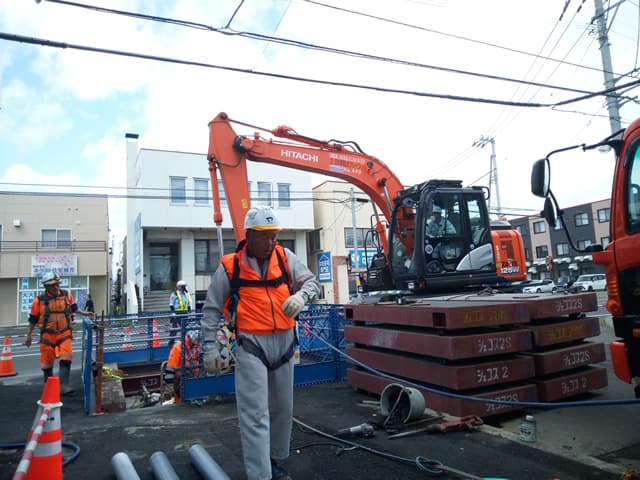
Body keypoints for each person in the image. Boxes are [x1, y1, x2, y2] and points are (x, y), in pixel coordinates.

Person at [201, 206, 320, 480]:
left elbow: (311, 282)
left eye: (274, 235)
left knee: (282, 408)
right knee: (255, 414)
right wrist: (209, 345)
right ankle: (260, 474)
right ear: (250, 235)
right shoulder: (230, 266)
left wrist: (301, 297)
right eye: (265, 236)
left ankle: (274, 460)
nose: (271, 242)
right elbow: (211, 309)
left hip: (286, 343)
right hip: (252, 345)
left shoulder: (285, 257)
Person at [24, 271, 95, 394]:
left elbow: (74, 308)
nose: (57, 287)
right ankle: (49, 387)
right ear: (46, 286)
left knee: (66, 358)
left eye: (58, 284)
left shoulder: (67, 295)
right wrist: (29, 336)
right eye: (53, 285)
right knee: (47, 363)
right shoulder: (39, 301)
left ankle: (64, 386)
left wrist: (84, 313)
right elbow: (33, 319)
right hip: (47, 335)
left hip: (64, 333)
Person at [164, 329, 204, 404]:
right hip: (181, 382)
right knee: (181, 402)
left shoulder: (196, 347)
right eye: (197, 341)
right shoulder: (178, 348)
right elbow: (170, 369)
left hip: (193, 380)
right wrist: (169, 388)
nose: (198, 344)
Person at [168, 280, 191, 346]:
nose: (185, 287)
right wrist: (173, 312)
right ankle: (171, 343)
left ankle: (184, 342)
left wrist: (189, 311)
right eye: (183, 286)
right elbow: (171, 304)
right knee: (175, 329)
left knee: (185, 329)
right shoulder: (175, 293)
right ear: (179, 287)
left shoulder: (186, 293)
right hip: (177, 313)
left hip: (185, 313)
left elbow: (188, 303)